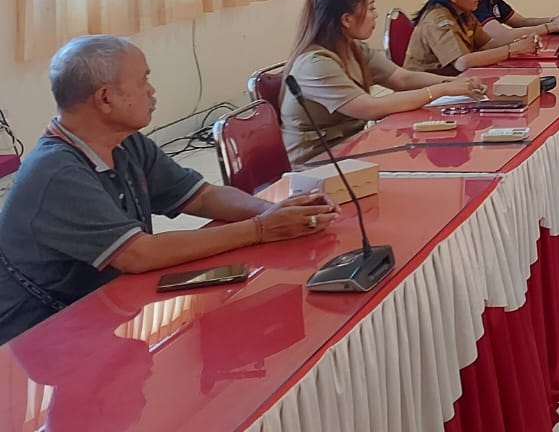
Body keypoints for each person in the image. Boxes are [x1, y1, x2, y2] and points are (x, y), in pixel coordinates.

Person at [0, 35, 338, 344]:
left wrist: (275, 211)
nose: (152, 91)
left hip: (103, 312)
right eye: (142, 81)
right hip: (38, 336)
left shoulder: (125, 143)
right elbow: (138, 254)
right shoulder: (57, 172)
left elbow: (202, 196)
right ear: (105, 98)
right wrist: (261, 229)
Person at [282, 0, 486, 166]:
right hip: (318, 164)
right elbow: (371, 108)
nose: (375, 15)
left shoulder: (354, 48)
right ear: (347, 19)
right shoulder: (315, 65)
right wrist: (442, 90)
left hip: (352, 149)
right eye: (370, 8)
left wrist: (455, 83)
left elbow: (402, 79)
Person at [402, 0, 541, 75]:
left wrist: (520, 42)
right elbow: (463, 62)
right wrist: (514, 49)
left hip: (457, 83)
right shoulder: (437, 20)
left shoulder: (463, 12)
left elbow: (488, 45)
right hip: (429, 90)